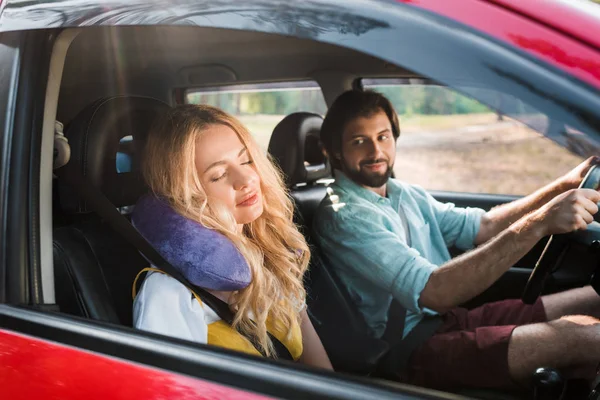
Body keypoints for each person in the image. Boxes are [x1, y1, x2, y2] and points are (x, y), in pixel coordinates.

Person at [313, 89, 600, 389]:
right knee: (587, 338)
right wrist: (540, 223)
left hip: (446, 320)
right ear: (335, 151)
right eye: (359, 142)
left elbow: (483, 225)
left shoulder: (403, 193)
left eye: (383, 136)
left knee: (592, 300)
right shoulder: (345, 216)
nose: (376, 152)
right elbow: (433, 291)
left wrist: (564, 185)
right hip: (410, 349)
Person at [133, 104, 332, 369]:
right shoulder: (169, 293)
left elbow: (318, 367)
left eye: (246, 159)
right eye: (219, 175)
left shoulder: (270, 252)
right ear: (186, 196)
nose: (245, 179)